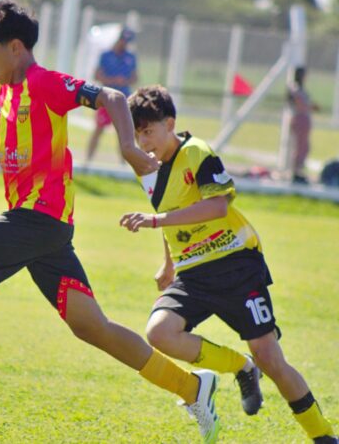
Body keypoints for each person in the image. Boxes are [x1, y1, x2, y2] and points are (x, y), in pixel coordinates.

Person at [0, 1, 220, 444]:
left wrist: (126, 145)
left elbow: (113, 97)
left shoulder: (45, 84)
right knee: (93, 328)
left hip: (37, 219)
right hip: (45, 232)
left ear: (17, 47)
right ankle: (193, 387)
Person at [120, 85, 337, 444]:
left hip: (236, 264)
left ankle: (324, 436)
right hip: (193, 272)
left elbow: (217, 206)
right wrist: (168, 264)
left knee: (271, 358)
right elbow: (169, 212)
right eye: (137, 134)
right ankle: (240, 368)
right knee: (159, 332)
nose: (144, 142)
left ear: (169, 123)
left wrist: (156, 222)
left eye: (149, 131)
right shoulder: (147, 169)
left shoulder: (197, 152)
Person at [85, 27, 138, 165]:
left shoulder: (130, 57)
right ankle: (88, 160)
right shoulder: (106, 55)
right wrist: (113, 80)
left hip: (124, 98)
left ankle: (123, 164)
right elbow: (97, 75)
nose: (124, 44)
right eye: (123, 40)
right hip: (106, 99)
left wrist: (124, 81)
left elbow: (134, 77)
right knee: (99, 129)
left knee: (123, 133)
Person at [287, 67, 318, 185]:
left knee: (304, 147)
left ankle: (298, 171)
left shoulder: (298, 89)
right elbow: (300, 104)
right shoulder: (296, 88)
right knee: (301, 147)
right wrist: (310, 107)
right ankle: (296, 172)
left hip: (302, 118)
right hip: (300, 118)